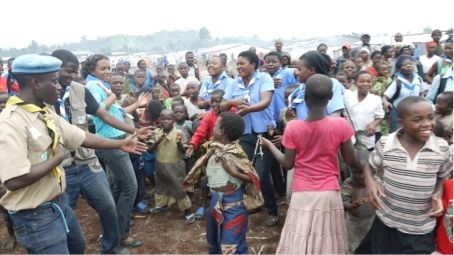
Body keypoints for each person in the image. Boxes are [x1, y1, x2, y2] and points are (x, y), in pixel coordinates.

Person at [0, 54, 147, 254]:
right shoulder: (10, 123)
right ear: (35, 83)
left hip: (57, 203)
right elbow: (13, 181)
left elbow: (81, 136)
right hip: (35, 214)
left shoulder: (43, 113)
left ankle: (112, 247)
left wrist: (120, 143)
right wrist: (57, 159)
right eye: (53, 81)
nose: (59, 86)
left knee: (77, 245)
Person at [51, 49, 151, 253]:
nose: (71, 76)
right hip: (62, 166)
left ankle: (112, 247)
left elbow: (104, 115)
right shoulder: (44, 98)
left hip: (87, 160)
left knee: (107, 206)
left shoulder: (80, 90)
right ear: (54, 70)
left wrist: (134, 130)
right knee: (63, 214)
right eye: (67, 71)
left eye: (74, 71)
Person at [260, 74, 362, 254]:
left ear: (305, 97)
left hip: (302, 192)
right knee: (327, 239)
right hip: (329, 192)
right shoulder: (341, 125)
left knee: (301, 238)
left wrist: (269, 145)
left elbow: (288, 163)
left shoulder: (293, 127)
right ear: (330, 97)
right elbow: (351, 161)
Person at [363, 96, 452, 253]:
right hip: (386, 221)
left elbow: (443, 175)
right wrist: (370, 182)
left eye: (430, 117)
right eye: (417, 119)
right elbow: (369, 167)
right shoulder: (386, 143)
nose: (426, 124)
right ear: (401, 121)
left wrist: (438, 193)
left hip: (420, 227)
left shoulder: (442, 148)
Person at [83, 54, 144, 248]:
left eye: (109, 68)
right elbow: (96, 112)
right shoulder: (93, 86)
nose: (108, 71)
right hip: (112, 140)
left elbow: (117, 111)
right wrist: (111, 97)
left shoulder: (100, 84)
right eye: (103, 68)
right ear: (92, 69)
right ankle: (121, 234)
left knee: (118, 187)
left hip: (116, 139)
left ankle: (114, 230)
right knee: (130, 188)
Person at [222, 50, 280, 226]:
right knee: (244, 172)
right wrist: (234, 102)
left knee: (262, 174)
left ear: (253, 65)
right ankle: (250, 204)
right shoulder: (234, 83)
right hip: (245, 134)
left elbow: (266, 101)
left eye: (242, 63)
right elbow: (223, 106)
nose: (239, 67)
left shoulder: (264, 78)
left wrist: (248, 109)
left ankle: (273, 211)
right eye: (237, 64)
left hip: (264, 134)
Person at [147, 109, 195, 224]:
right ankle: (162, 204)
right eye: (163, 119)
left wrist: (179, 143)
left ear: (173, 121)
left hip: (175, 166)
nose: (166, 121)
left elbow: (184, 152)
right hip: (160, 165)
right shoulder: (156, 133)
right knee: (161, 185)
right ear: (159, 120)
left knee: (179, 188)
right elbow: (149, 149)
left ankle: (188, 211)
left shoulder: (179, 133)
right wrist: (158, 141)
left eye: (169, 119)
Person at [288, 51, 345, 120]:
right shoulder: (300, 89)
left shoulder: (331, 83)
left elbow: (335, 115)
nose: (296, 72)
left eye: (299, 69)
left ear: (312, 70)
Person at [343, 71, 385, 150]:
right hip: (349, 136)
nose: (365, 84)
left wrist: (373, 125)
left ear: (372, 83)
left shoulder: (376, 99)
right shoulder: (347, 97)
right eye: (361, 81)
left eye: (368, 81)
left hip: (367, 136)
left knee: (366, 156)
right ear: (356, 83)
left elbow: (380, 116)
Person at [383, 55, 425, 132]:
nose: (409, 66)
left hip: (415, 111)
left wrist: (422, 102)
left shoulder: (418, 79)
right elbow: (385, 97)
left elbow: (422, 93)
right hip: (399, 113)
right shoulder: (397, 82)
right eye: (405, 65)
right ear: (399, 69)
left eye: (410, 64)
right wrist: (386, 103)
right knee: (398, 132)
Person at [341, 171, 378, 254]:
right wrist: (350, 206)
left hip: (371, 221)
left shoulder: (376, 181)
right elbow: (342, 200)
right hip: (353, 223)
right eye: (357, 172)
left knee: (369, 246)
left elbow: (382, 196)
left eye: (364, 173)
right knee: (352, 247)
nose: (361, 176)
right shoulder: (349, 183)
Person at [263, 51, 298, 121]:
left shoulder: (286, 72)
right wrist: (269, 82)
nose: (270, 64)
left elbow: (300, 73)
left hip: (284, 117)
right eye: (268, 62)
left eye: (274, 62)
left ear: (280, 63)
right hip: (267, 118)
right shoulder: (262, 77)